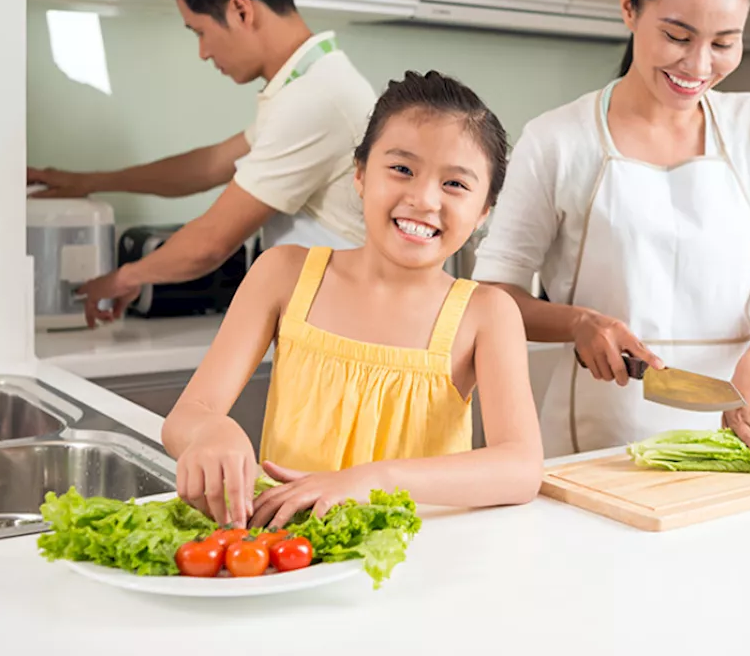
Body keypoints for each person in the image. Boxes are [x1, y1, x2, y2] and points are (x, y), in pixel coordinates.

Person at [471, 0, 750, 469]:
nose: (700, 66)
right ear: (629, 7)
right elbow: (491, 294)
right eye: (678, 37)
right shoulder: (557, 139)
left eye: (724, 44)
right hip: (598, 440)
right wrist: (578, 323)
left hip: (738, 430)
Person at [161, 71, 544, 528]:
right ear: (360, 174)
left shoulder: (487, 313)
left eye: (455, 185)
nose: (423, 199)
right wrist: (210, 430)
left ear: (484, 211)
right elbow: (185, 417)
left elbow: (520, 468)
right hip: (287, 555)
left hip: (418, 563)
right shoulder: (283, 274)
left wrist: (369, 480)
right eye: (402, 169)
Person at [27, 0, 377, 327]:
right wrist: (89, 182)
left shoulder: (316, 97)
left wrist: (123, 278)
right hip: (330, 327)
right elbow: (210, 165)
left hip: (347, 336)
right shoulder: (310, 80)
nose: (203, 52)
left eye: (199, 32)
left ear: (241, 10)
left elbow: (211, 243)